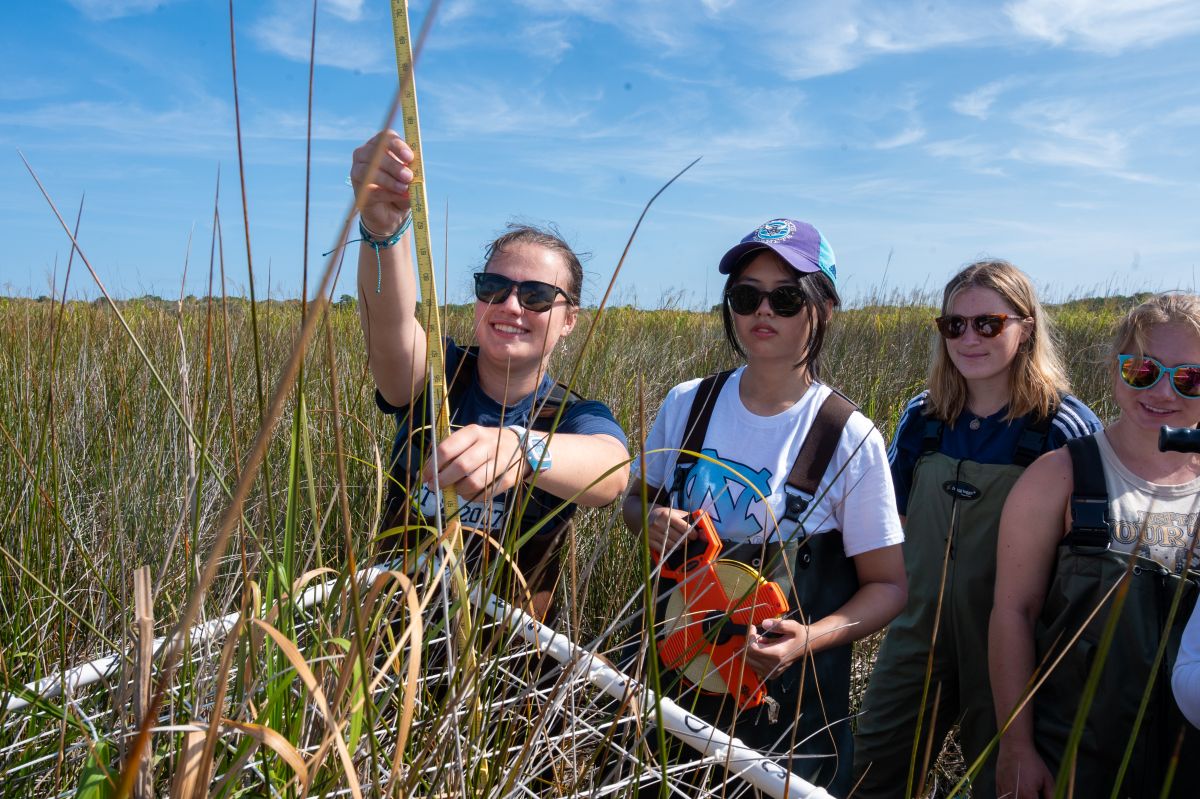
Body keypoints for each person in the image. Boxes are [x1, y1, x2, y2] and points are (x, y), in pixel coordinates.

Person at [622, 218, 907, 794]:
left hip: (785, 708)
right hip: (670, 679)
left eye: (786, 296)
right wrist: (649, 522)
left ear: (823, 308)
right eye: (746, 295)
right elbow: (634, 503)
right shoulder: (688, 404)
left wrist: (809, 638)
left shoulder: (848, 436)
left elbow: (889, 588)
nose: (763, 311)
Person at [351, 130, 630, 620]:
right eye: (494, 287)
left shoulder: (573, 415)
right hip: (396, 644)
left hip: (508, 664)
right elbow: (390, 325)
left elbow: (611, 472)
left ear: (568, 321)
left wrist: (522, 449)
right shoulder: (437, 376)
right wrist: (382, 230)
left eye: (538, 296)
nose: (511, 306)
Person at [854, 261, 1101, 796]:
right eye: (953, 325)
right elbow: (890, 522)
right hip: (916, 633)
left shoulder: (1064, 428)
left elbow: (1090, 570)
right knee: (871, 771)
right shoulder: (923, 418)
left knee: (1006, 781)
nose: (969, 338)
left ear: (1026, 327)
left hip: (1017, 646)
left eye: (988, 323)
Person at [990, 292, 1200, 798]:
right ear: (1115, 371)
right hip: (1073, 759)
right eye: (1143, 371)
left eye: (1190, 378)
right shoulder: (1059, 475)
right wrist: (1016, 749)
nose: (1162, 391)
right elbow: (1012, 613)